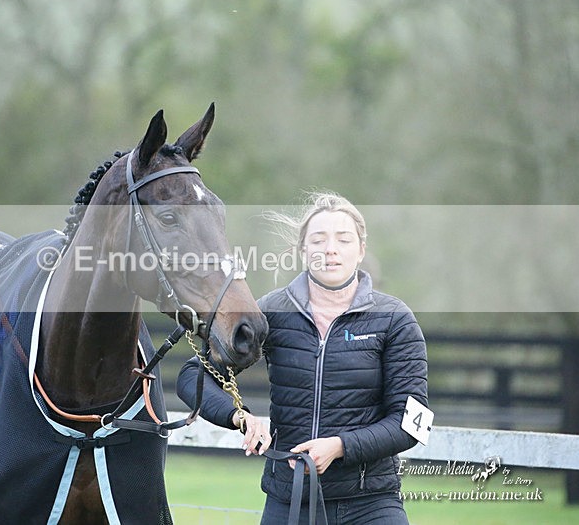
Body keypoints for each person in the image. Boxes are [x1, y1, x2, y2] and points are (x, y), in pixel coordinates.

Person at [177, 190, 428, 524]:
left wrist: (340, 446)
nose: (330, 249)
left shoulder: (395, 319)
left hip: (371, 505)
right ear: (302, 250)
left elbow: (411, 425)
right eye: (319, 239)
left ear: (361, 250)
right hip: (289, 501)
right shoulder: (272, 312)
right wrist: (239, 417)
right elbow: (194, 374)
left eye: (343, 239)